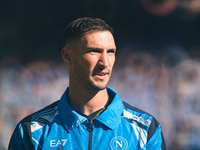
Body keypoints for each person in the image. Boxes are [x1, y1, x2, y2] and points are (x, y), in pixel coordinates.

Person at [8, 17, 166, 150]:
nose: (105, 62)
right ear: (68, 56)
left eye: (110, 52)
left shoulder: (146, 129)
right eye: (94, 51)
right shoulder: (31, 131)